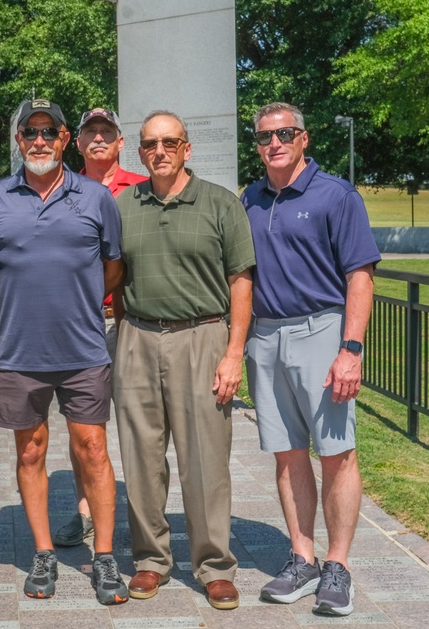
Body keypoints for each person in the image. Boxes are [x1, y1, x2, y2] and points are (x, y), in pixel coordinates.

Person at [0, 99, 128, 605]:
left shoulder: (95, 197)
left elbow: (113, 267)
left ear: (66, 138)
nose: (39, 141)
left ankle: (104, 556)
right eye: (30, 132)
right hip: (17, 352)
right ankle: (44, 552)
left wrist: (81, 303)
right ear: (18, 140)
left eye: (49, 132)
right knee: (31, 451)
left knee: (93, 451)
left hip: (83, 349)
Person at [112, 110, 254, 610]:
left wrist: (233, 353)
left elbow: (241, 280)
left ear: (187, 148)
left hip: (203, 337)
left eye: (170, 142)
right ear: (140, 151)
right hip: (137, 336)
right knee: (141, 458)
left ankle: (215, 565)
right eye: (150, 144)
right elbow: (111, 274)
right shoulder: (125, 204)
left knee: (205, 459)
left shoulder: (219, 203)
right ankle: (150, 560)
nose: (160, 151)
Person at [242, 102, 380, 617]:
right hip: (266, 335)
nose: (273, 143)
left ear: (304, 139)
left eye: (284, 134)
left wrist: (350, 349)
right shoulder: (251, 198)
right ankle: (303, 558)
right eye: (263, 137)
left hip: (322, 330)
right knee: (287, 452)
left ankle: (338, 566)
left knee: (337, 450)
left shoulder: (336, 195)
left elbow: (360, 277)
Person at [51, 107, 148, 549]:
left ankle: (144, 510)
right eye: (90, 132)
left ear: (120, 141)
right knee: (83, 425)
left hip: (127, 321)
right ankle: (86, 509)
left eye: (106, 132)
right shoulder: (61, 187)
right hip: (78, 324)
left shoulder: (142, 189)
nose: (98, 139)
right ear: (77, 141)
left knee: (140, 420)